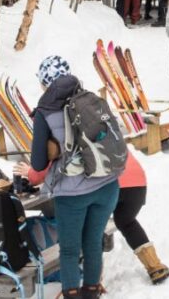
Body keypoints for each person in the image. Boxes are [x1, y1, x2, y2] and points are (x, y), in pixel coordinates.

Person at [14, 114, 169, 286]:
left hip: (108, 185)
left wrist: (29, 172)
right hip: (136, 182)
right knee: (127, 221)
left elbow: (44, 171)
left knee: (91, 232)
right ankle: (155, 266)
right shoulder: (93, 123)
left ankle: (94, 283)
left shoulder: (62, 133)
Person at [27, 56, 120, 298]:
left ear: (45, 84)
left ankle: (71, 294)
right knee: (93, 243)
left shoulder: (44, 112)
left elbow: (38, 163)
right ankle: (91, 293)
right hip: (108, 185)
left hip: (73, 193)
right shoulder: (90, 98)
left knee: (69, 250)